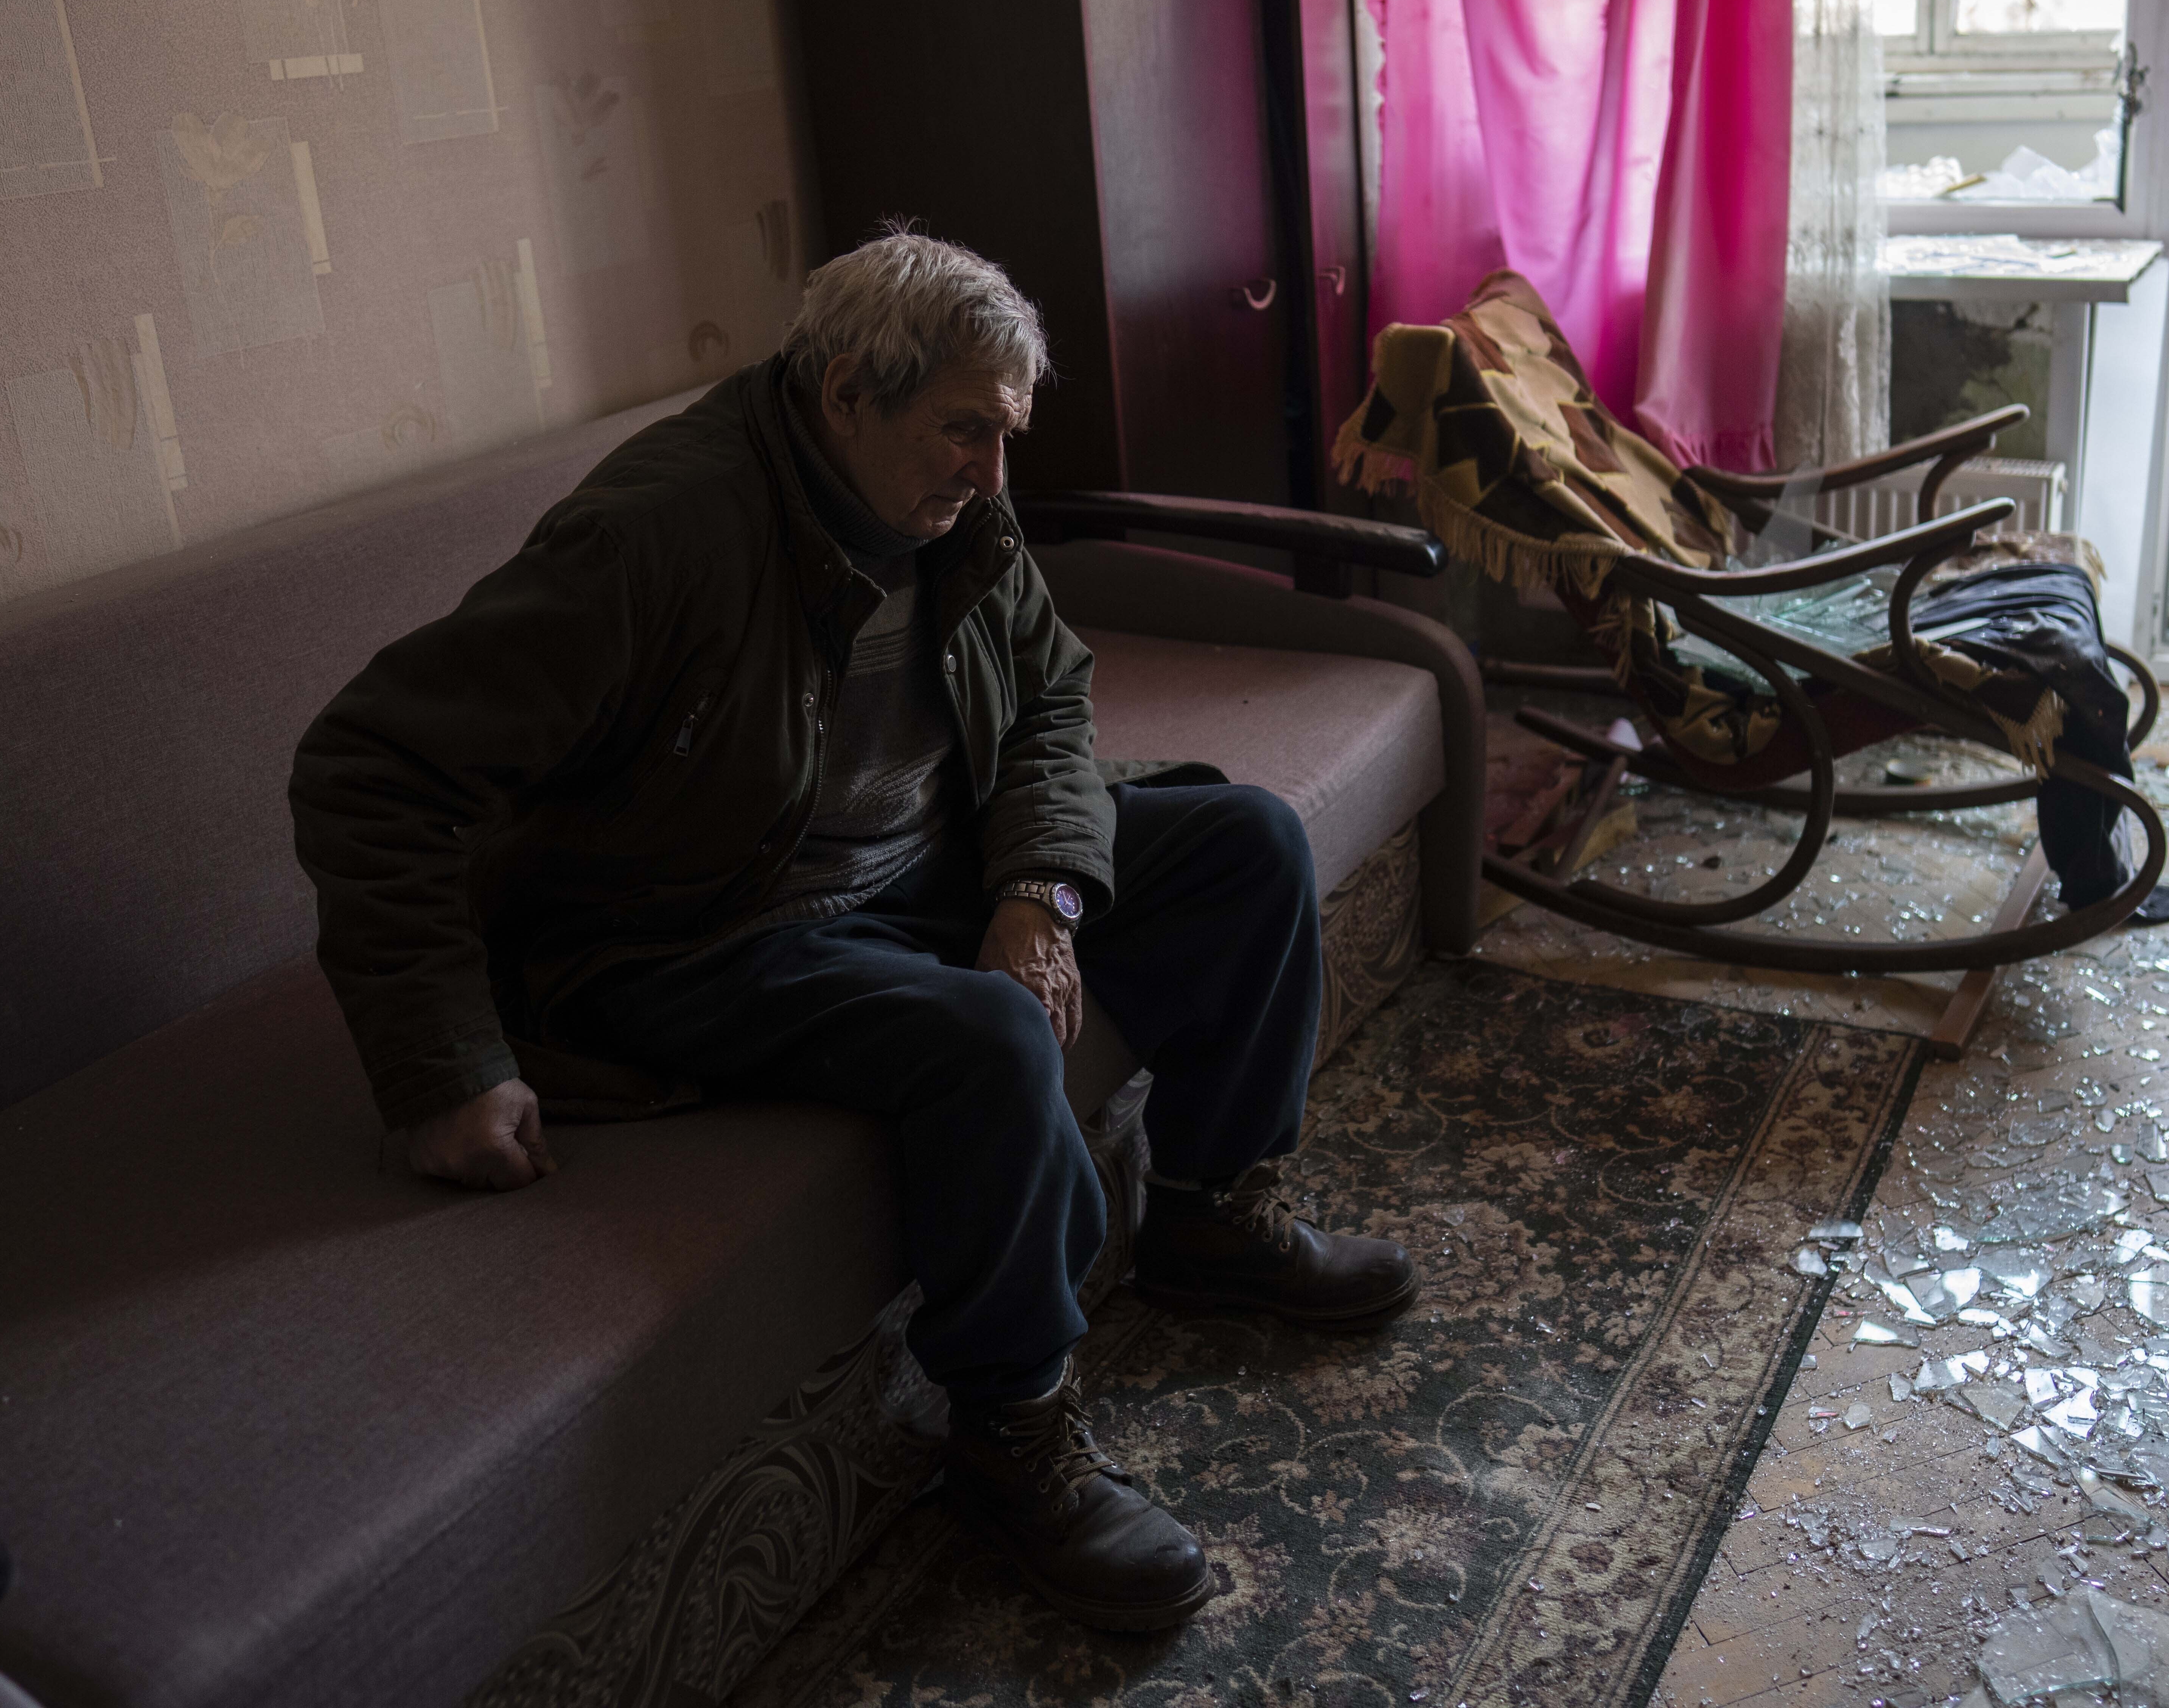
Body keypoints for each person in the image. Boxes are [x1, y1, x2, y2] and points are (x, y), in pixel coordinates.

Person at [289, 233, 1416, 1632]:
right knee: (990, 1033)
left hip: (913, 861)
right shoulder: (653, 536)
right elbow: (369, 767)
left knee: (1247, 842)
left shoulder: (954, 508)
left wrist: (1038, 888)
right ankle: (1009, 1436)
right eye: (962, 433)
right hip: (695, 929)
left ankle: (1208, 1217)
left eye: (1005, 434)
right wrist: (441, 1065)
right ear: (842, 396)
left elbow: (1053, 697)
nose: (992, 476)